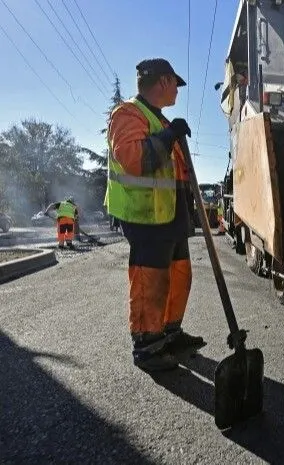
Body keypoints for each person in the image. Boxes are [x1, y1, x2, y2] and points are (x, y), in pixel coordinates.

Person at [106, 58, 205, 372]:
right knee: (152, 280)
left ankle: (169, 334)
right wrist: (169, 136)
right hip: (145, 216)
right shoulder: (128, 114)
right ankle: (148, 345)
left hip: (170, 215)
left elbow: (176, 172)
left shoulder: (160, 121)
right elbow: (134, 160)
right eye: (175, 82)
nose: (177, 89)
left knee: (179, 275)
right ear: (163, 81)